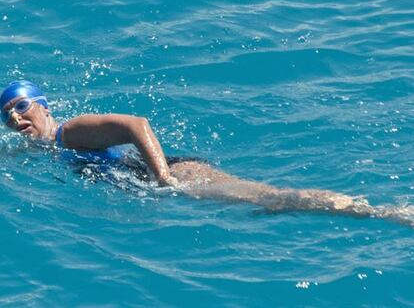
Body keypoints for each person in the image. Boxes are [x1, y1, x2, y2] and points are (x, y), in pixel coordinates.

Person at [1, 80, 413, 226]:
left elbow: (136, 125)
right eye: (7, 117)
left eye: (21, 107)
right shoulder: (46, 149)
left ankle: (386, 213)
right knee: (266, 203)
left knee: (270, 199)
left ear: (43, 105)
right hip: (159, 175)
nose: (17, 119)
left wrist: (163, 179)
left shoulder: (69, 133)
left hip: (176, 175)